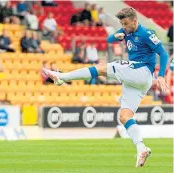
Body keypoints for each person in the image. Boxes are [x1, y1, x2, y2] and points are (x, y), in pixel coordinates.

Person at [42, 7, 168, 168]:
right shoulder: (126, 30)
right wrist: (116, 36)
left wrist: (162, 75)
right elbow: (109, 39)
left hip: (142, 71)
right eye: (122, 23)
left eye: (126, 24)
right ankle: (141, 148)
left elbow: (163, 54)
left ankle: (62, 77)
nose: (124, 26)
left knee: (102, 68)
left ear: (135, 21)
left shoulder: (147, 33)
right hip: (134, 80)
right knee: (124, 116)